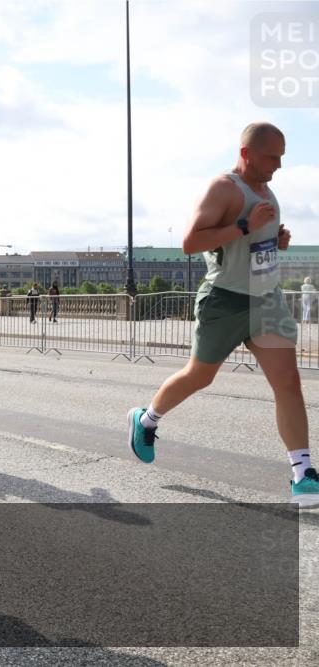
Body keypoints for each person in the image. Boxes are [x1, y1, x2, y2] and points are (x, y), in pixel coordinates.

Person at [128, 122, 316, 506]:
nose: (278, 165)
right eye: (271, 157)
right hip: (224, 300)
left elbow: (251, 245)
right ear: (246, 153)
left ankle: (303, 474)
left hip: (267, 301)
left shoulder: (268, 190)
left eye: (281, 157)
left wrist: (274, 241)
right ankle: (146, 420)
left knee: (288, 384)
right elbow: (190, 241)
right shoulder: (224, 188)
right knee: (200, 376)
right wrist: (244, 224)